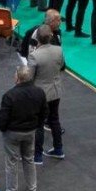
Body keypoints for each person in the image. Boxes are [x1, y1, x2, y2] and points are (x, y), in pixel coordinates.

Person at [0, 66, 47, 191]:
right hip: (30, 131)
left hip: (12, 132)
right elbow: (44, 112)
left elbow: (3, 117)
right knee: (29, 158)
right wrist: (36, 125)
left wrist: (3, 129)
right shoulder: (39, 92)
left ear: (17, 78)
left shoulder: (10, 95)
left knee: (12, 161)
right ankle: (32, 187)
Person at [28, 25, 65, 162]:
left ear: (37, 38)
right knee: (54, 120)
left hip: (40, 94)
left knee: (38, 124)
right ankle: (58, 149)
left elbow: (29, 77)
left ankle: (37, 155)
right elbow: (61, 66)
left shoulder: (34, 56)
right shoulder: (59, 50)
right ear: (51, 37)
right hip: (55, 91)